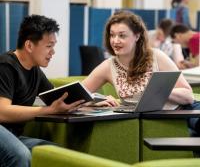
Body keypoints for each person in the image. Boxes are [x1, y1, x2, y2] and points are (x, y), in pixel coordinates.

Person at [82, 10, 200, 142]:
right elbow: (77, 94)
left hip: (185, 111)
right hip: (158, 121)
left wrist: (159, 91)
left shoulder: (156, 56)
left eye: (122, 36)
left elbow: (188, 96)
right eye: (112, 35)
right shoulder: (108, 66)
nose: (115, 41)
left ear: (137, 36)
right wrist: (96, 101)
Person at [0, 14, 85, 167]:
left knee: (56, 153)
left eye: (54, 46)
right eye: (48, 46)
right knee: (20, 154)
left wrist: (95, 102)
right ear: (29, 46)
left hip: (13, 135)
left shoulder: (34, 71)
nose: (53, 52)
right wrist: (47, 110)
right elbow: (2, 111)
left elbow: (58, 98)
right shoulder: (5, 67)